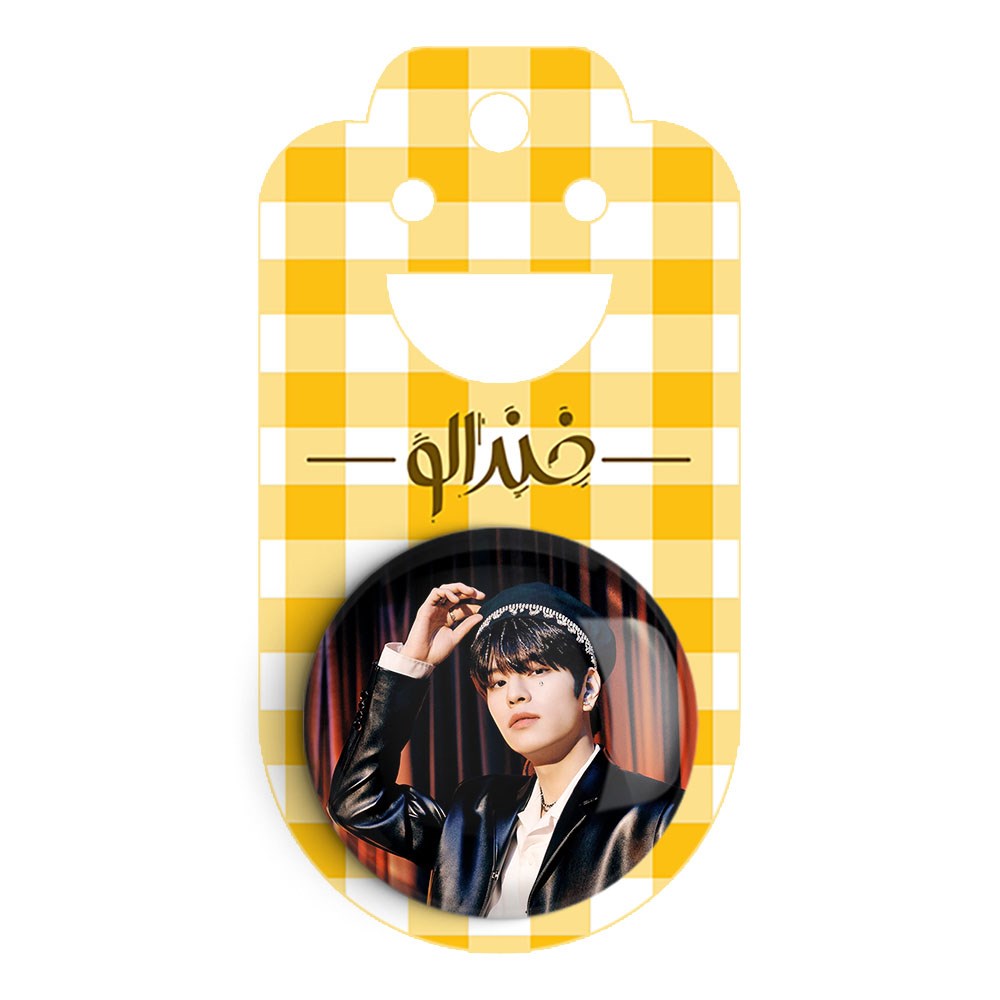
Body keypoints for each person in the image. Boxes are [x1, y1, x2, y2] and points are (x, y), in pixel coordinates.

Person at [328, 580, 683, 918]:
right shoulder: (475, 811)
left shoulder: (658, 820)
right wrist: (412, 661)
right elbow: (358, 802)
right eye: (497, 682)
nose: (514, 694)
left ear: (588, 689)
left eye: (537, 670)